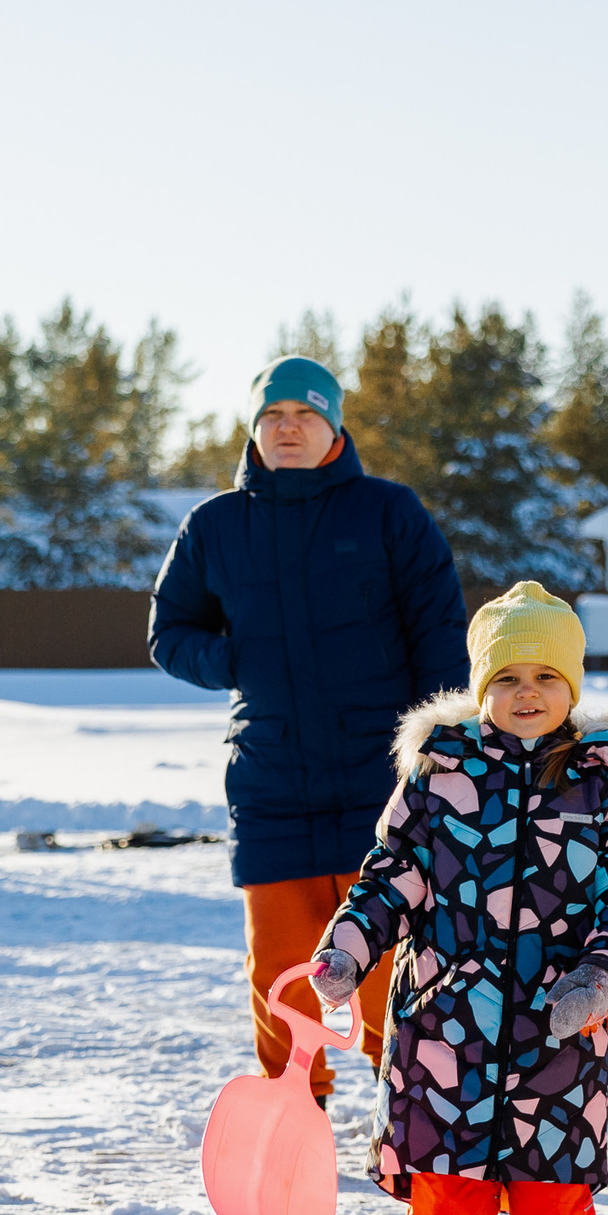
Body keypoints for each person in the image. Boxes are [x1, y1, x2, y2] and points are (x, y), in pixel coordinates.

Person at [308, 584, 608, 1215]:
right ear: (481, 688)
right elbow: (389, 876)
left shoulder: (602, 787)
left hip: (558, 1045)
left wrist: (602, 980)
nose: (527, 691)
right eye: (508, 676)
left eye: (546, 674)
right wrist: (350, 947)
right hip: (444, 1045)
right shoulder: (439, 780)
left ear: (573, 687)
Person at [151, 356, 469, 1113]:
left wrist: (441, 750)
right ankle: (294, 1109)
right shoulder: (215, 525)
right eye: (272, 416)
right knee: (282, 968)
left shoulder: (389, 514)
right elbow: (170, 632)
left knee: (390, 963)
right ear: (255, 429)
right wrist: (230, 657)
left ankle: (410, 1111)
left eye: (304, 414)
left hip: (380, 784)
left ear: (334, 426)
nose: (286, 428)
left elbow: (441, 637)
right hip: (272, 779)